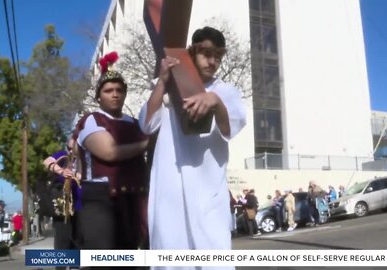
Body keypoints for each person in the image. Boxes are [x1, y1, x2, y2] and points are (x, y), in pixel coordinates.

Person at [139, 26, 246, 258]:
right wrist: (162, 82)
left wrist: (215, 102)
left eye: (218, 55)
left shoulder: (225, 91)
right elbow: (146, 125)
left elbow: (230, 129)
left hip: (207, 192)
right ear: (191, 52)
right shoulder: (169, 86)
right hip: (170, 190)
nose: (213, 60)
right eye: (206, 53)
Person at [74, 51, 149, 259]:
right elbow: (109, 152)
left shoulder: (135, 123)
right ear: (99, 96)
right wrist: (147, 144)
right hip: (100, 200)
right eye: (108, 90)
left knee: (131, 258)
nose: (114, 94)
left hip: (134, 198)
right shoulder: (93, 120)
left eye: (119, 90)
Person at [42, 139, 80, 257]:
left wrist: (78, 176)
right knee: (62, 240)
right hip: (63, 206)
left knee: (78, 239)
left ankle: (76, 265)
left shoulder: (83, 159)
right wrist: (61, 171)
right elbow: (47, 161)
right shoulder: (63, 155)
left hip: (81, 205)